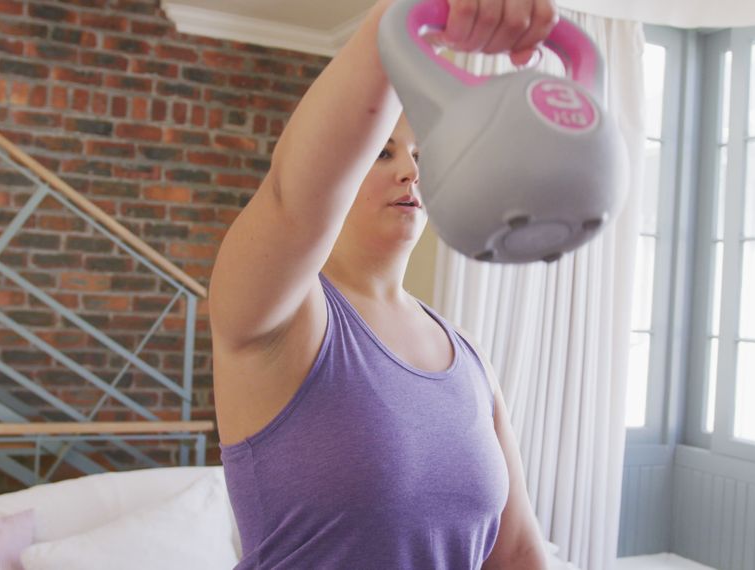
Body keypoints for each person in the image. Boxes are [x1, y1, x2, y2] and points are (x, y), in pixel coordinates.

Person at [209, 0, 558, 567]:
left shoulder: (469, 354)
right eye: (382, 152)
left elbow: (517, 551)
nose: (410, 171)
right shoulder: (281, 314)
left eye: (421, 155)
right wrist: (406, 17)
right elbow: (293, 200)